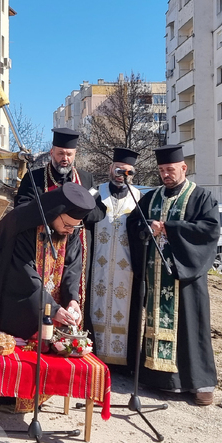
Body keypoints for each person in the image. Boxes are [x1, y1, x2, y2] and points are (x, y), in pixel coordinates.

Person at [126, 145, 220, 407]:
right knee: (155, 324)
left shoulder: (201, 197)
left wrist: (169, 228)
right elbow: (133, 223)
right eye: (161, 171)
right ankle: (158, 379)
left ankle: (199, 383)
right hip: (157, 276)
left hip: (185, 277)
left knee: (191, 327)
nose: (166, 174)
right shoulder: (151, 197)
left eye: (170, 169)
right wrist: (147, 228)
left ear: (183, 168)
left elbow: (209, 230)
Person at [0, 182, 96, 339]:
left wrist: (72, 299)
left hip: (45, 299)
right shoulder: (22, 224)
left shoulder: (69, 230)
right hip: (8, 296)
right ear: (55, 212)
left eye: (76, 227)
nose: (71, 231)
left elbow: (72, 267)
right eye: (67, 225)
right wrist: (51, 309)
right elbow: (23, 276)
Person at [15, 127, 104, 308]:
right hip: (43, 247)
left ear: (75, 154)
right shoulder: (35, 177)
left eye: (69, 154)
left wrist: (75, 214)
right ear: (51, 153)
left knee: (74, 294)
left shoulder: (86, 179)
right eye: (60, 153)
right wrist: (54, 214)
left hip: (76, 250)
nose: (65, 159)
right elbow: (22, 208)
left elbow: (99, 211)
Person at [86, 147, 141, 368]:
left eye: (129, 172)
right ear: (111, 169)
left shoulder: (140, 199)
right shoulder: (95, 194)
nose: (123, 176)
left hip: (125, 274)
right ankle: (93, 357)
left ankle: (122, 364)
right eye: (119, 170)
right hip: (96, 269)